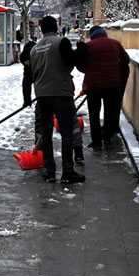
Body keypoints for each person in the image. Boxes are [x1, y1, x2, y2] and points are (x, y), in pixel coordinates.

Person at [28, 16, 85, 184]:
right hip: (61, 93)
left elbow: (32, 73)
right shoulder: (61, 42)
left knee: (46, 133)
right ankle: (67, 172)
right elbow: (71, 62)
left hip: (42, 95)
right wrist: (80, 51)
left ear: (42, 30)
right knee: (67, 132)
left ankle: (49, 171)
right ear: (56, 27)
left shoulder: (34, 49)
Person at [76, 25, 130, 150]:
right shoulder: (115, 44)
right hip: (112, 85)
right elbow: (125, 60)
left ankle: (96, 142)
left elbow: (80, 64)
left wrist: (88, 71)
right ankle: (107, 138)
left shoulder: (88, 46)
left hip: (93, 85)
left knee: (94, 114)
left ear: (92, 35)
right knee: (109, 112)